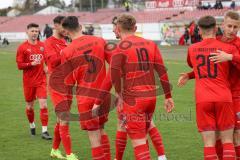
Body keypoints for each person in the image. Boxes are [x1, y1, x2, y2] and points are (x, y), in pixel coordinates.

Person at [99, 14, 174, 160]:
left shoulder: (119, 48)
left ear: (118, 28)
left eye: (115, 27)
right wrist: (168, 96)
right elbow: (162, 72)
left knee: (138, 140)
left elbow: (111, 78)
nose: (114, 30)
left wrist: (99, 100)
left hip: (131, 99)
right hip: (149, 97)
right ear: (135, 28)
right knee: (135, 127)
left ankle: (160, 156)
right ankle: (161, 156)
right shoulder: (150, 44)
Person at [178, 11, 240, 159]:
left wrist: (230, 57)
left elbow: (200, 64)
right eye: (229, 26)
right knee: (222, 138)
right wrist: (190, 75)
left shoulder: (235, 45)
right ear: (221, 26)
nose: (231, 30)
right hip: (224, 96)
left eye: (235, 27)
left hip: (234, 96)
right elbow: (209, 68)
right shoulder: (221, 44)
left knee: (234, 136)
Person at [58, 16, 111, 160]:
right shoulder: (99, 40)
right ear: (80, 27)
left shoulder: (66, 52)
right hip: (104, 94)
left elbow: (68, 82)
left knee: (94, 137)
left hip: (86, 98)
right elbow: (115, 64)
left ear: (66, 33)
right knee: (101, 130)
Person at [44, 16, 78, 160]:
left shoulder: (65, 42)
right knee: (64, 118)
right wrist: (68, 50)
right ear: (56, 26)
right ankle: (69, 154)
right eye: (63, 26)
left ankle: (54, 150)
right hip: (57, 85)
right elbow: (53, 62)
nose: (65, 29)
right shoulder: (49, 43)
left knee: (60, 120)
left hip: (68, 84)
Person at [16, 23, 51, 140]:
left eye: (36, 31)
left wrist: (46, 67)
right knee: (30, 107)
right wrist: (31, 64)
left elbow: (46, 60)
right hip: (29, 82)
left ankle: (45, 131)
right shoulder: (22, 47)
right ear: (27, 32)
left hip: (41, 80)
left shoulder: (42, 46)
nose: (35, 33)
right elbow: (19, 65)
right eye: (32, 31)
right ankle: (32, 125)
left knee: (43, 104)